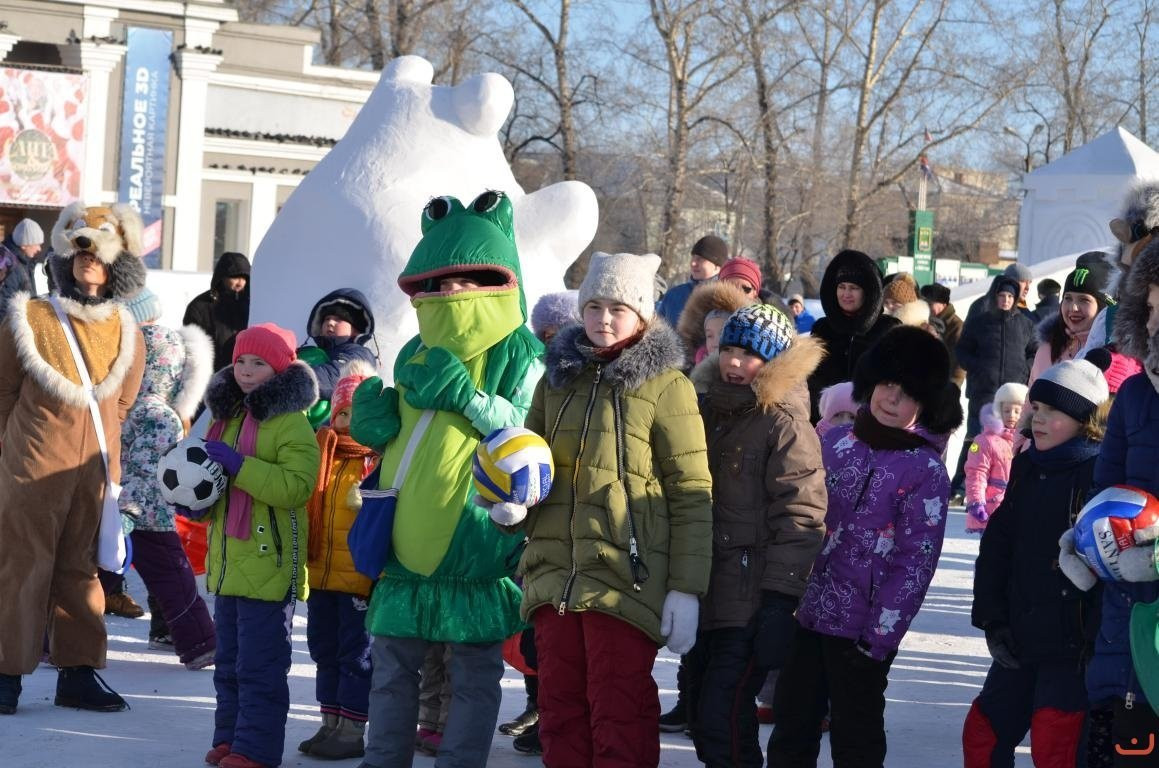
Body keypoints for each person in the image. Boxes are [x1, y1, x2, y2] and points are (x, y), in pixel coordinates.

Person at [491, 250, 713, 766]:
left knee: (619, 713)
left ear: (641, 314)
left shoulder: (667, 386)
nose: (604, 319)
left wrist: (686, 587)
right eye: (594, 306)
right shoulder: (556, 380)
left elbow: (691, 491)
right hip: (554, 575)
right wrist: (511, 504)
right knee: (560, 711)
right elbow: (530, 461)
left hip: (624, 580)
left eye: (618, 307)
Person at [349, 191, 543, 768]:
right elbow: (407, 436)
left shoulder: (520, 350)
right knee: (390, 675)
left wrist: (467, 396)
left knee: (474, 678)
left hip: (476, 538)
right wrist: (376, 421)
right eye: (438, 282)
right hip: (406, 537)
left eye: (466, 279)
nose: (450, 292)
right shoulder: (415, 346)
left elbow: (527, 431)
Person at [768, 325, 963, 768]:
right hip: (807, 613)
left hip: (862, 631)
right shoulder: (833, 442)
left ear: (925, 404)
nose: (892, 399)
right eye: (887, 385)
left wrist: (879, 637)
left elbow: (916, 563)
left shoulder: (924, 470)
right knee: (792, 725)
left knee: (856, 738)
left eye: (908, 394)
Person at [0, 202, 147, 715]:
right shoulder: (31, 315)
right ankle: (6, 674)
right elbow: (3, 391)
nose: (89, 261)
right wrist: (14, 451)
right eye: (81, 250)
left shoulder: (128, 329)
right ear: (66, 256)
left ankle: (79, 673)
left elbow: (122, 404)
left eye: (99, 253)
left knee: (81, 571)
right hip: (32, 466)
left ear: (117, 264)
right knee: (20, 566)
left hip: (92, 474)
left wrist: (106, 457)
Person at [685, 304, 827, 768]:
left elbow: (801, 513)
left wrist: (779, 600)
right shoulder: (703, 407)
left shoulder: (784, 423)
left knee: (720, 715)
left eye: (749, 354)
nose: (733, 362)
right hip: (705, 590)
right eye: (727, 349)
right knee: (707, 720)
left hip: (750, 598)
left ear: (775, 361)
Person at [964, 359, 1108, 767]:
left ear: (1084, 420)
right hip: (1018, 639)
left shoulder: (1098, 474)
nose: (1038, 419)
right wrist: (993, 621)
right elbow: (997, 549)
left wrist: (1093, 639)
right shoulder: (1027, 466)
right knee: (983, 733)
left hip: (1070, 649)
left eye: (1053, 412)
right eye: (1037, 409)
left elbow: (1108, 571)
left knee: (1055, 744)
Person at [199, 323, 321, 768]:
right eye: (240, 362)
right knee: (229, 663)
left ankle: (256, 749)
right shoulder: (225, 418)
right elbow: (210, 482)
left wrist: (240, 466)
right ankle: (230, 737)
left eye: (258, 363)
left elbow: (296, 487)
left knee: (261, 667)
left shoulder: (291, 422)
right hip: (229, 562)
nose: (246, 371)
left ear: (280, 368)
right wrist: (195, 496)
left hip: (270, 564)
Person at [1070, 238, 1159, 767]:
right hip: (1127, 616)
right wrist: (1084, 543)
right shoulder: (1133, 396)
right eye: (1147, 308)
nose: (1152, 323)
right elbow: (1107, 492)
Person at [117, 287, 217, 669]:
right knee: (173, 580)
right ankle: (200, 642)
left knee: (93, 575)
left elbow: (141, 466)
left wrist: (126, 509)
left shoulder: (142, 410)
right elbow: (142, 468)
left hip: (130, 508)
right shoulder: (157, 412)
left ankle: (53, 639)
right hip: (142, 510)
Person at [299, 360, 378, 760]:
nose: (349, 421)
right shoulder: (323, 452)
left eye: (358, 413)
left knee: (356, 656)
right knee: (323, 651)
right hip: (322, 576)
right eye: (343, 412)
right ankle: (328, 722)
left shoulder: (375, 460)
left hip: (359, 581)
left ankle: (351, 729)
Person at [951, 275, 1036, 503]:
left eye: (1010, 296)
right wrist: (977, 367)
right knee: (978, 439)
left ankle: (1008, 486)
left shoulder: (1025, 324)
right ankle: (964, 486)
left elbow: (1034, 351)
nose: (1006, 300)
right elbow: (962, 350)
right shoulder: (980, 321)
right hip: (984, 391)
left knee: (1012, 441)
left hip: (1013, 394)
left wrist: (1025, 373)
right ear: (995, 297)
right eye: (1002, 296)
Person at [806, 249, 900, 422]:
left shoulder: (888, 329)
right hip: (825, 423)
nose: (846, 294)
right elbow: (810, 379)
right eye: (841, 287)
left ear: (867, 292)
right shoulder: (822, 328)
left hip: (872, 425)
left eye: (854, 288)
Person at [297, 288, 377, 428]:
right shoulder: (312, 353)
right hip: (303, 425)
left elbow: (336, 374)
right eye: (326, 319)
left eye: (339, 319)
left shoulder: (359, 354)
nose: (330, 323)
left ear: (356, 329)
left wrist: (292, 379)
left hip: (336, 429)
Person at [1028, 263, 1113, 387]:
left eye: (1084, 300)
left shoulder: (1112, 351)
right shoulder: (1047, 349)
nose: (1073, 307)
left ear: (1101, 306)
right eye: (1068, 298)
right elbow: (1030, 403)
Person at [963, 383, 1027, 535]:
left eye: (1017, 411)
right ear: (998, 410)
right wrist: (976, 501)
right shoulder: (985, 441)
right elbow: (976, 473)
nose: (1012, 415)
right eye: (1007, 410)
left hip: (1018, 509)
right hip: (991, 509)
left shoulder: (1027, 441)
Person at [184, 251, 251, 371]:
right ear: (222, 277)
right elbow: (192, 348)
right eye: (235, 277)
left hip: (247, 374)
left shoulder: (253, 304)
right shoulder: (200, 306)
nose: (240, 282)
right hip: (212, 376)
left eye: (244, 277)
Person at [677, 279, 753, 372]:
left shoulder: (744, 373)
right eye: (709, 336)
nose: (715, 342)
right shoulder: (688, 369)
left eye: (722, 334)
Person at [656, 234, 729, 327]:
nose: (693, 263)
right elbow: (657, 332)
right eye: (693, 257)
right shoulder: (673, 295)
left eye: (700, 259)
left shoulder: (725, 299)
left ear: (717, 266)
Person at [920, 282, 965, 386]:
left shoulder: (956, 326)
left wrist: (955, 385)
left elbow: (960, 361)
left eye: (930, 304)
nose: (927, 307)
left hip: (945, 382)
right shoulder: (924, 319)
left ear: (943, 304)